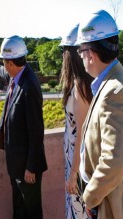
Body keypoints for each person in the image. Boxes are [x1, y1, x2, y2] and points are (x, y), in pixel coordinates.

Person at [0, 35, 47, 219]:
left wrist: (31, 168)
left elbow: (37, 132)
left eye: (4, 62)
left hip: (27, 169)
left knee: (32, 211)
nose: (4, 66)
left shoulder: (29, 86)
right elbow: (3, 73)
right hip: (16, 164)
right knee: (19, 210)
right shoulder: (16, 74)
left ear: (11, 63)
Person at [76, 10, 123, 219]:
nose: (81, 57)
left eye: (80, 51)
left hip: (110, 200)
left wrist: (91, 196)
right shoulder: (113, 83)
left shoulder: (113, 92)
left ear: (91, 54)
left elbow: (115, 159)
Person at [59, 24, 94, 219]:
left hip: (78, 167)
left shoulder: (79, 89)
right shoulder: (84, 85)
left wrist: (73, 174)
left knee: (78, 213)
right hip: (78, 164)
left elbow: (82, 133)